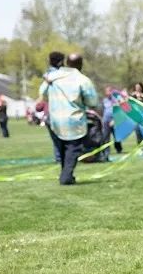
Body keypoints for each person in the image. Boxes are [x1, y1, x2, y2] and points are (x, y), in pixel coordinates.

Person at [38, 53, 99, 185]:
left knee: (61, 147)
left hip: (55, 119)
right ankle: (66, 177)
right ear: (80, 64)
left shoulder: (53, 77)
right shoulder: (82, 79)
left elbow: (42, 92)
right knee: (73, 148)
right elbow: (92, 101)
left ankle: (66, 175)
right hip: (74, 119)